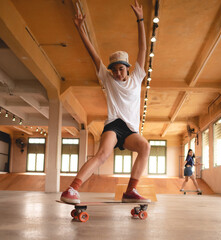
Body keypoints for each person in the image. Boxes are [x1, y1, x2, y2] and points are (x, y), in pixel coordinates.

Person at [60, 0, 150, 204]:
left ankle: (130, 191)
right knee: (102, 154)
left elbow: (143, 48)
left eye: (121, 69)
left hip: (131, 130)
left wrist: (140, 19)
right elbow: (92, 54)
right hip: (114, 124)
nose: (117, 73)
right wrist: (80, 30)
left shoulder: (137, 78)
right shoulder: (108, 79)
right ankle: (72, 189)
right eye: (114, 69)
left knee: (145, 147)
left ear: (128, 68)